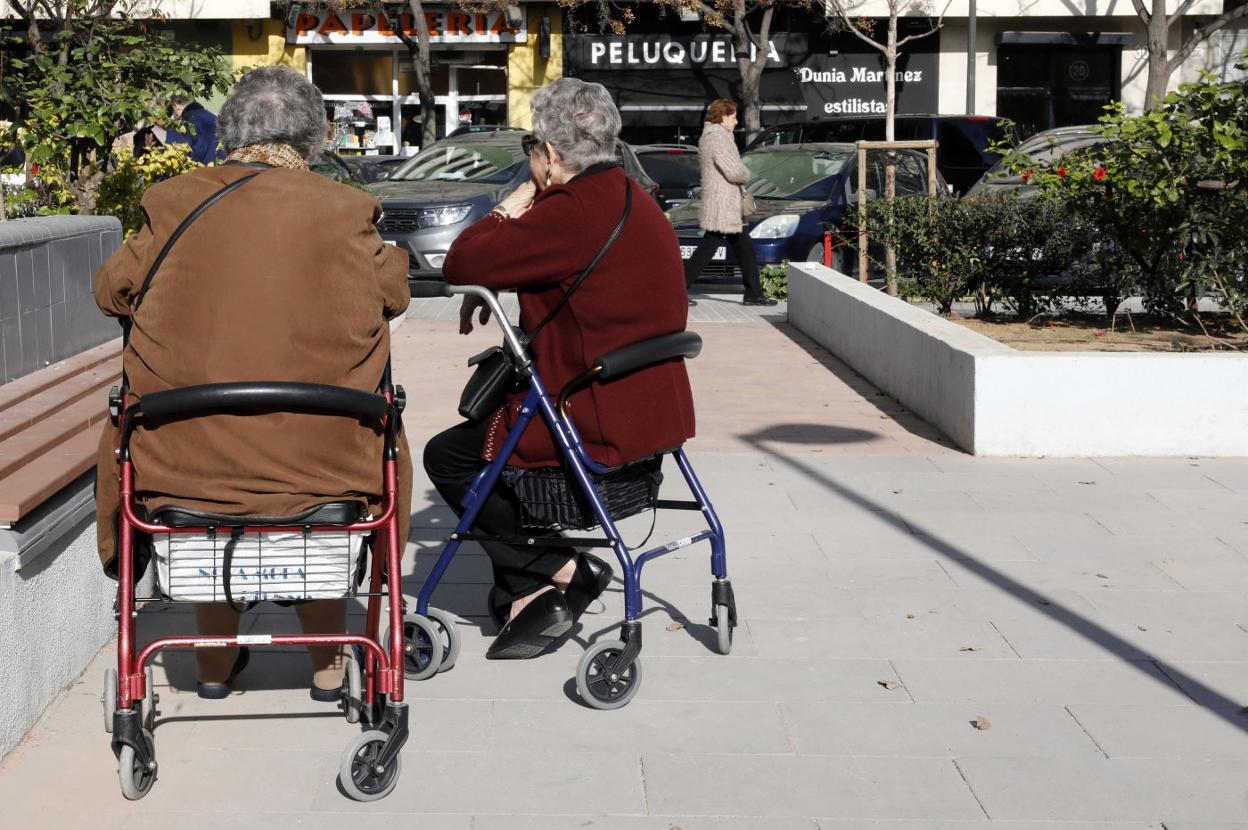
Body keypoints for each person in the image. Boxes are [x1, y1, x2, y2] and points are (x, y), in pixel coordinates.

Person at [93, 66, 412, 700]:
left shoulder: (172, 201)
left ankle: (213, 667)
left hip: (183, 464)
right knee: (340, 468)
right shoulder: (347, 210)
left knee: (207, 479)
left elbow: (110, 291)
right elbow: (395, 293)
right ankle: (328, 667)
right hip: (326, 464)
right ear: (313, 139)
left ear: (230, 132)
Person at [425, 77, 696, 660]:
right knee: (471, 446)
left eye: (531, 146)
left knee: (446, 456)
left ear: (548, 152)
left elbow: (461, 260)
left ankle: (555, 572)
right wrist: (502, 279)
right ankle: (528, 588)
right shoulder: (631, 195)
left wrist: (509, 206)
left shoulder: (569, 211)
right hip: (646, 409)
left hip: (586, 416)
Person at [683, 99, 777, 307]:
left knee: (741, 247)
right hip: (723, 200)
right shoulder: (717, 136)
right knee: (712, 245)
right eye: (734, 117)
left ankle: (753, 293)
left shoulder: (715, 135)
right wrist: (746, 173)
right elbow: (733, 170)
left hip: (723, 200)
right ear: (724, 116)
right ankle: (678, 290)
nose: (736, 122)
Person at [164, 95, 223, 165]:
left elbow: (172, 158)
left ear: (176, 106)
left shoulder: (179, 125)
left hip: (196, 173)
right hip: (223, 169)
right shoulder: (216, 119)